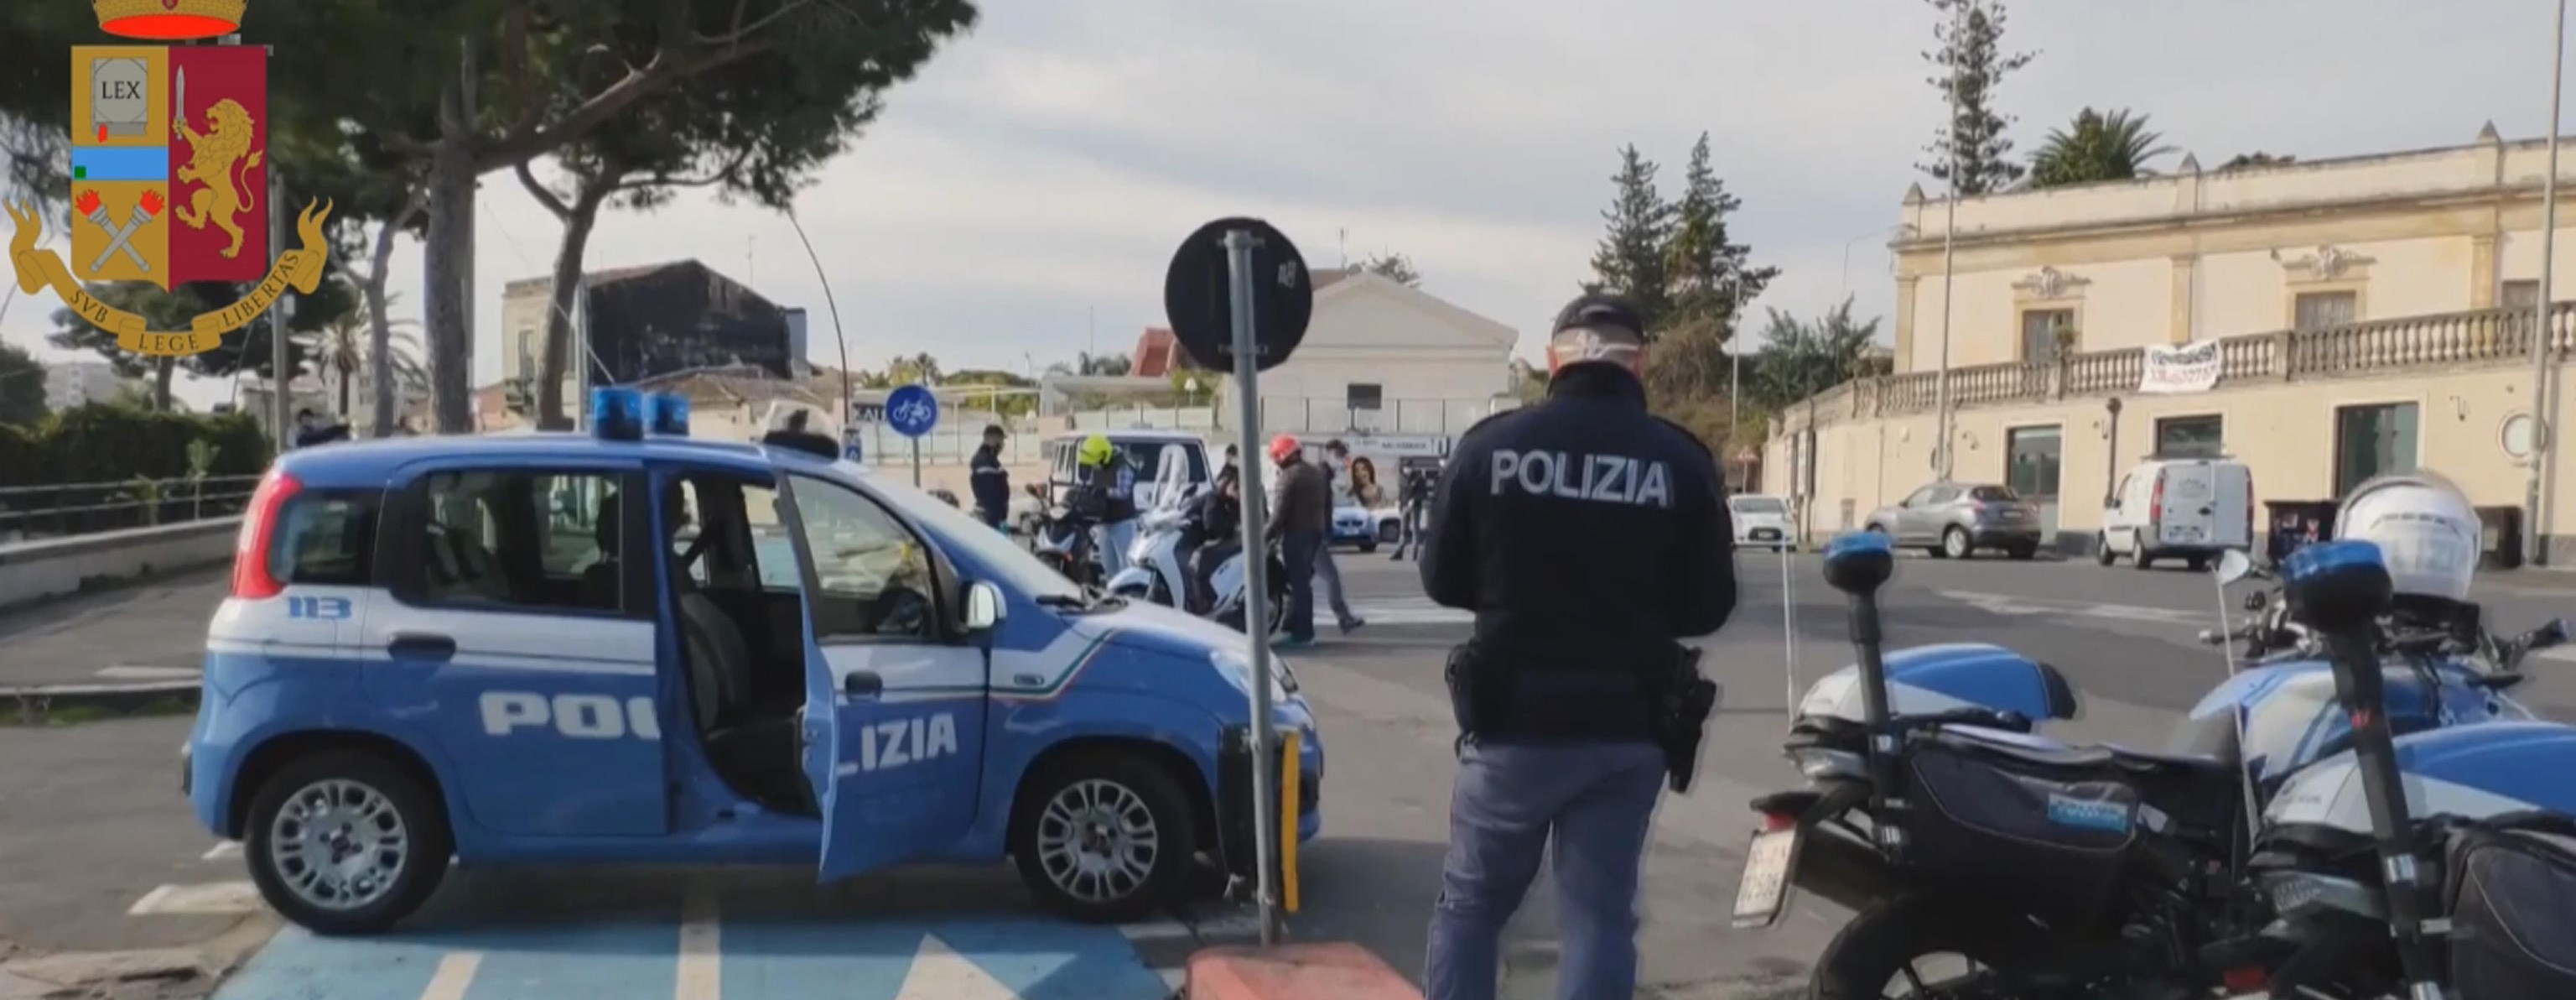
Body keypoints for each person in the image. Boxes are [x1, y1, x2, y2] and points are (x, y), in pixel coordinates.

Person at [1418, 293, 1735, 1000]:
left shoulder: (1491, 447)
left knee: (1471, 907)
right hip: (1627, 728)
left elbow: (1442, 580)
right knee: (1598, 919)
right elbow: (1709, 606)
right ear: (1640, 363)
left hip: (1511, 725)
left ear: (1554, 360)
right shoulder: (1679, 460)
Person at [1265, 435, 1332, 648]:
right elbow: (1327, 508)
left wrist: (1262, 536)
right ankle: (1292, 626)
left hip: (1296, 535)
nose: (1275, 462)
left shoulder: (1289, 477)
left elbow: (1279, 516)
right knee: (1301, 583)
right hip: (1315, 534)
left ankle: (1303, 634)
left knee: (1299, 584)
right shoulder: (1315, 473)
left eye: (1276, 457)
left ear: (1282, 456)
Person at [1311, 440, 1365, 633]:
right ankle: (1344, 618)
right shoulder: (1320, 476)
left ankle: (1292, 620)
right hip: (1313, 536)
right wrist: (1323, 533)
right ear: (1330, 454)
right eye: (1340, 457)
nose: (1342, 462)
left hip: (1311, 535)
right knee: (1331, 578)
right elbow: (1317, 509)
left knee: (1303, 581)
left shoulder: (1324, 476)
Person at [1070, 434, 1140, 576]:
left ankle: (1129, 596)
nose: (1095, 466)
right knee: (1109, 568)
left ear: (1103, 455)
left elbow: (1121, 492)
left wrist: (1100, 490)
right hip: (1104, 522)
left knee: (1126, 567)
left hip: (1122, 523)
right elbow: (1090, 483)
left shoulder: (1123, 464)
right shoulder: (1100, 463)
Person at [1180, 465, 1243, 613]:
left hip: (1215, 543)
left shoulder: (1224, 500)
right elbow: (1211, 526)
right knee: (1194, 566)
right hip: (1203, 542)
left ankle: (1203, 602)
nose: (1238, 491)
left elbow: (1215, 527)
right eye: (1236, 486)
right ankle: (1201, 601)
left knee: (1196, 566)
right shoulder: (1212, 497)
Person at [969, 424, 1011, 529]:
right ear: (994, 440)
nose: (1002, 445)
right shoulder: (983, 461)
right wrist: (997, 519)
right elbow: (990, 495)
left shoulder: (990, 459)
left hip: (993, 518)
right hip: (989, 519)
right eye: (1001, 441)